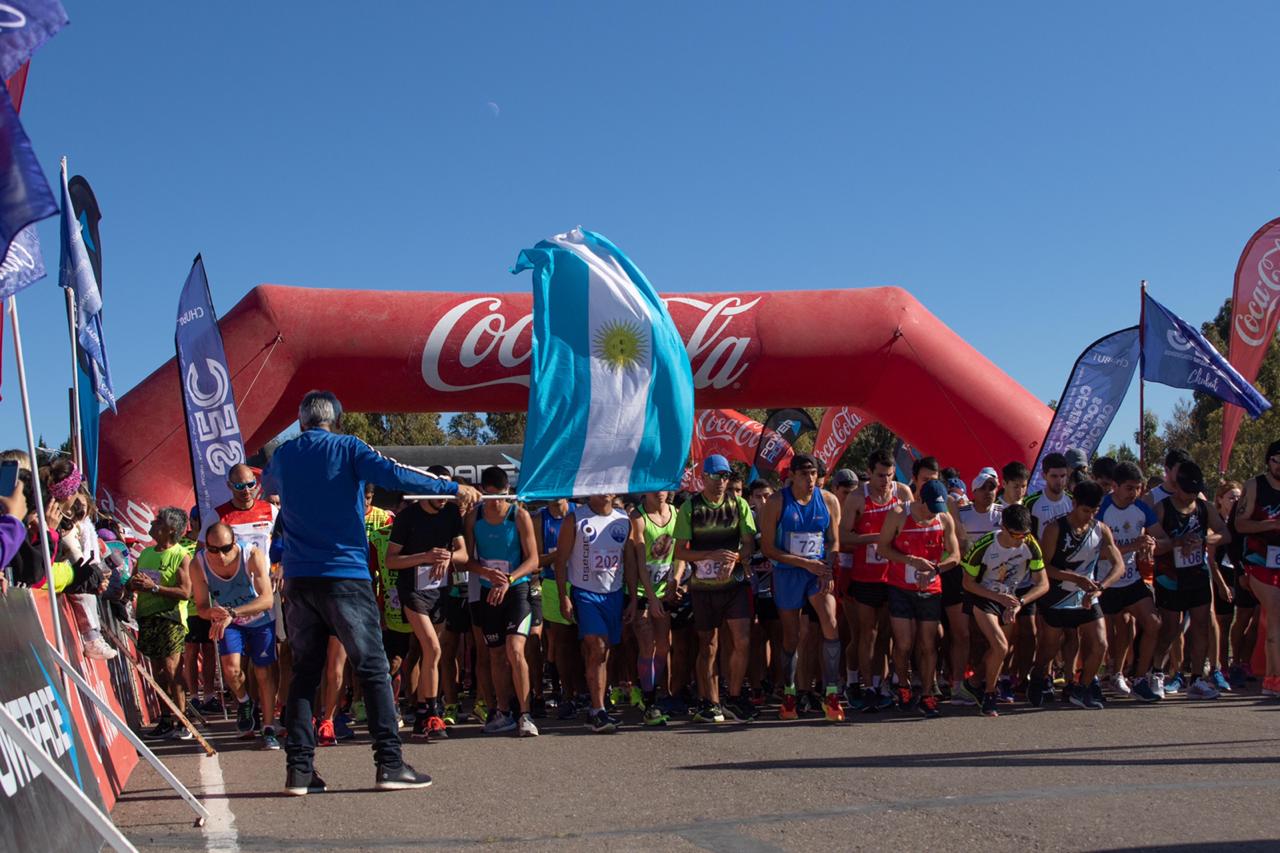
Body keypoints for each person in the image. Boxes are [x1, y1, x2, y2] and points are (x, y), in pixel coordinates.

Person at [264, 391, 476, 795]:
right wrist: (451, 488)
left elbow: (266, 488)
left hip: (299, 578)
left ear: (302, 420)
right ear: (337, 420)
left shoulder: (284, 454)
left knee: (305, 673)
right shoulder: (348, 447)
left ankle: (299, 770)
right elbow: (397, 475)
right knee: (373, 668)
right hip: (344, 575)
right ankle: (389, 764)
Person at [758, 454, 844, 721]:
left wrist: (826, 567)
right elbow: (768, 548)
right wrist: (802, 563)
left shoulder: (828, 500)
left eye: (814, 474)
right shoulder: (776, 502)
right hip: (787, 574)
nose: (810, 479)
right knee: (792, 636)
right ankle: (790, 692)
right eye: (805, 474)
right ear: (792, 475)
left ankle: (831, 694)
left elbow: (833, 541)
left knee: (830, 622)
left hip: (817, 573)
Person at [674, 455, 757, 724]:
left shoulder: (739, 504)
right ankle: (710, 701)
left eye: (725, 476)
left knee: (742, 638)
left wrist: (735, 557)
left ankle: (733, 697)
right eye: (716, 476)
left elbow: (749, 544)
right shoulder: (690, 507)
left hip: (733, 585)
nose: (721, 482)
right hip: (703, 588)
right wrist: (711, 554)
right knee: (708, 645)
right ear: (704, 478)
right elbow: (679, 552)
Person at [1030, 481, 1125, 710]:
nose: (1088, 516)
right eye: (1085, 510)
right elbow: (1044, 567)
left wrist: (1100, 586)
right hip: (1057, 596)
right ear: (1074, 504)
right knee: (1049, 647)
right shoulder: (1055, 529)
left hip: (1087, 596)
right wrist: (1075, 578)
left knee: (1100, 643)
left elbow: (1118, 565)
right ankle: (1038, 677)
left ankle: (1081, 688)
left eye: (1093, 511)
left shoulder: (1101, 529)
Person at [385, 483, 468, 740]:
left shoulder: (451, 514)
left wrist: (448, 557)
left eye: (448, 496)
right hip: (412, 591)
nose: (444, 501)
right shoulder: (407, 517)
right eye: (439, 496)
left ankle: (422, 714)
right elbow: (391, 560)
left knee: (429, 653)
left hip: (439, 591)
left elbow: (464, 554)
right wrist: (424, 556)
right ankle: (431, 712)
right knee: (433, 648)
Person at [464, 466, 540, 737]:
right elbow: (465, 558)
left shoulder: (518, 515)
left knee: (515, 649)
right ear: (483, 493)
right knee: (495, 653)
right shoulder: (474, 517)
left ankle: (525, 713)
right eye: (492, 496)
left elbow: (533, 560)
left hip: (516, 589)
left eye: (503, 495)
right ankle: (503, 711)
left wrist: (509, 578)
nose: (498, 502)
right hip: (487, 591)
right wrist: (485, 573)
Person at [190, 523, 281, 749]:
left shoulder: (251, 555)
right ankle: (244, 701)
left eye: (225, 548)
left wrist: (233, 613)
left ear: (235, 543)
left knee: (263, 672)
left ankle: (269, 727)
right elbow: (201, 606)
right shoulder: (198, 564)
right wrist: (211, 612)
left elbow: (267, 599)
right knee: (231, 670)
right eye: (213, 550)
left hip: (259, 618)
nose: (220, 555)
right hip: (228, 620)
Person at [877, 479, 961, 718]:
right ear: (919, 499)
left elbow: (955, 555)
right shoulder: (899, 513)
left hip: (930, 589)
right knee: (903, 644)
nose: (933, 514)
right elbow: (883, 548)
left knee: (928, 643)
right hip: (900, 587)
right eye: (930, 508)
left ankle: (927, 693)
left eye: (938, 509)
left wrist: (935, 568)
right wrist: (910, 561)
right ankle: (902, 685)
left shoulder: (943, 519)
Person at [839, 449, 911, 712]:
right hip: (864, 576)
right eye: (880, 475)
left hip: (892, 576)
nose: (885, 481)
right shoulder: (858, 498)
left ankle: (881, 685)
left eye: (890, 476)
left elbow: (912, 527)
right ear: (869, 473)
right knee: (865, 634)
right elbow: (844, 537)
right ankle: (864, 686)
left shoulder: (902, 493)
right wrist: (873, 539)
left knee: (885, 635)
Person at [960, 503, 1048, 716]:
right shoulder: (985, 545)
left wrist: (1020, 602)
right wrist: (997, 597)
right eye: (1015, 535)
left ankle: (973, 682)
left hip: (1011, 598)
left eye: (1024, 535)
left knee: (1003, 649)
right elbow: (968, 583)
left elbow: (1043, 583)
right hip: (983, 595)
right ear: (1004, 527)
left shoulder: (1030, 543)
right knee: (999, 646)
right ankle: (989, 694)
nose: (1020, 540)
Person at [556, 493, 634, 733]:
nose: (604, 491)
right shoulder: (575, 519)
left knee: (605, 650)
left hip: (614, 593)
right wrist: (564, 596)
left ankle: (596, 708)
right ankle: (598, 708)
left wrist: (632, 599)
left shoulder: (623, 519)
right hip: (585, 592)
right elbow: (560, 561)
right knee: (596, 646)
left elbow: (628, 560)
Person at [1150, 461, 1223, 700]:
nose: (1190, 497)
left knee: (1201, 626)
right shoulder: (1162, 508)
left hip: (1197, 575)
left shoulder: (1204, 508)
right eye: (1186, 492)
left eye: (1194, 492)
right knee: (1170, 628)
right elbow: (1153, 547)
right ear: (1176, 488)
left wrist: (1203, 540)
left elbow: (1225, 533)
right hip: (1170, 577)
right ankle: (1158, 673)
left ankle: (1197, 679)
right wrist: (1175, 542)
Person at [1096, 462, 1164, 702]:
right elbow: (1096, 551)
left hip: (1132, 579)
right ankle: (1095, 677)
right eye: (1129, 488)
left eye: (1138, 488)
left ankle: (1140, 679)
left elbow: (1161, 537)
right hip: (1105, 580)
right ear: (1114, 486)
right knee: (1103, 635)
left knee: (1153, 623)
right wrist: (1132, 546)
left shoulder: (1142, 509)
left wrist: (1152, 543)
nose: (1134, 493)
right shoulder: (1102, 508)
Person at [129, 507, 194, 740]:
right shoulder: (146, 553)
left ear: (171, 530)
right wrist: (131, 584)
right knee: (157, 671)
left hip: (171, 617)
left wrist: (155, 588)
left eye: (159, 521)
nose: (154, 523)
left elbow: (186, 592)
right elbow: (135, 580)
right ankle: (166, 719)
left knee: (172, 668)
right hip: (147, 616)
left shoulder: (181, 555)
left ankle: (183, 720)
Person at [946, 465, 1002, 707]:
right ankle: (958, 684)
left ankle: (982, 682)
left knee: (986, 637)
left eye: (993, 487)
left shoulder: (1004, 514)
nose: (989, 492)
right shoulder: (963, 513)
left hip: (992, 583)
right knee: (963, 634)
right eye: (984, 488)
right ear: (974, 490)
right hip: (963, 579)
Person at [630, 490, 682, 726]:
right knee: (647, 645)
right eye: (654, 489)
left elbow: (680, 553)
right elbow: (640, 562)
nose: (660, 493)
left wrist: (676, 580)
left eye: (664, 488)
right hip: (643, 591)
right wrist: (650, 598)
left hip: (664, 588)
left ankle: (652, 689)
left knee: (664, 645)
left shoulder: (676, 513)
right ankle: (650, 701)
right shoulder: (638, 518)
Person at [1235, 440, 1280, 696]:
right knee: (1275, 609)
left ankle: (1272, 678)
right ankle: (1273, 679)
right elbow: (1240, 525)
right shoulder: (1255, 486)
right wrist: (1271, 525)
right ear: (1268, 461)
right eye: (1277, 460)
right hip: (1259, 560)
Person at [534, 497, 583, 719]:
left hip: (582, 582)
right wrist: (561, 553)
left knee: (586, 641)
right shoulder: (539, 519)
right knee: (561, 642)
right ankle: (567, 695)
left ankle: (585, 692)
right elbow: (535, 561)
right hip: (553, 583)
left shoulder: (580, 512)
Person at [1211, 480, 1257, 688]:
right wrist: (1221, 584)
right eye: (1231, 497)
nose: (1236, 500)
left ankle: (1241, 662)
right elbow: (1210, 557)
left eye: (1239, 497)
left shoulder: (1246, 518)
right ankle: (1223, 665)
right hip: (1223, 576)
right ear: (1220, 499)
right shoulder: (1216, 521)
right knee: (1224, 622)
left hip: (1245, 573)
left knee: (1251, 618)